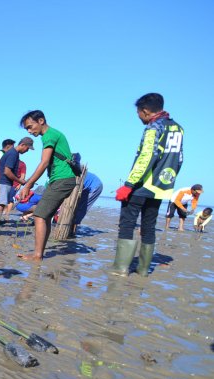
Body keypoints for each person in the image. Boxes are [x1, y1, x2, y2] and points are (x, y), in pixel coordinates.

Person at [111, 93, 184, 276]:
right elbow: (179, 159)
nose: (138, 116)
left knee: (127, 224)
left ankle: (120, 269)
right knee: (149, 227)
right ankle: (143, 270)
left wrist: (128, 184)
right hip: (161, 187)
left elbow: (146, 156)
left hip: (141, 185)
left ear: (145, 111)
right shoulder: (178, 129)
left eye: (138, 112)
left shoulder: (154, 127)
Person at [16, 110, 78, 261]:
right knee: (45, 215)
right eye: (27, 129)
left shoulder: (49, 135)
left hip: (62, 179)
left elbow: (44, 163)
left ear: (41, 121)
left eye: (30, 127)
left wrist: (27, 185)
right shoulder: (52, 135)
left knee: (39, 215)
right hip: (59, 180)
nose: (30, 131)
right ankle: (39, 253)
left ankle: (37, 255)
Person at [0, 137, 33, 219]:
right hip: (4, 182)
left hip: (6, 182)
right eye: (27, 148)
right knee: (1, 203)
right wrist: (19, 181)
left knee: (3, 202)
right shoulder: (13, 154)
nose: (27, 151)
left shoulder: (14, 153)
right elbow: (7, 171)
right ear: (22, 145)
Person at [70, 172, 103, 236]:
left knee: (81, 207)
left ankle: (73, 229)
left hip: (95, 186)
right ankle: (73, 227)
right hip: (86, 187)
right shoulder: (71, 173)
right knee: (77, 206)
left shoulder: (72, 175)